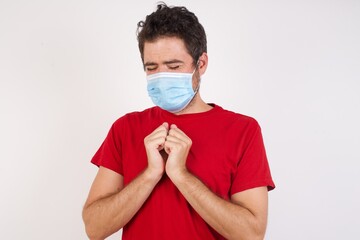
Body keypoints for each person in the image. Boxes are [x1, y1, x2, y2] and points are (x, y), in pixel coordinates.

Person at [82, 3, 275, 240]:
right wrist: (151, 174)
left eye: (173, 66)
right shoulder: (125, 128)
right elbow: (94, 227)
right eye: (151, 68)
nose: (162, 76)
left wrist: (181, 175)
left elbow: (251, 234)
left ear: (201, 64)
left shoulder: (243, 131)